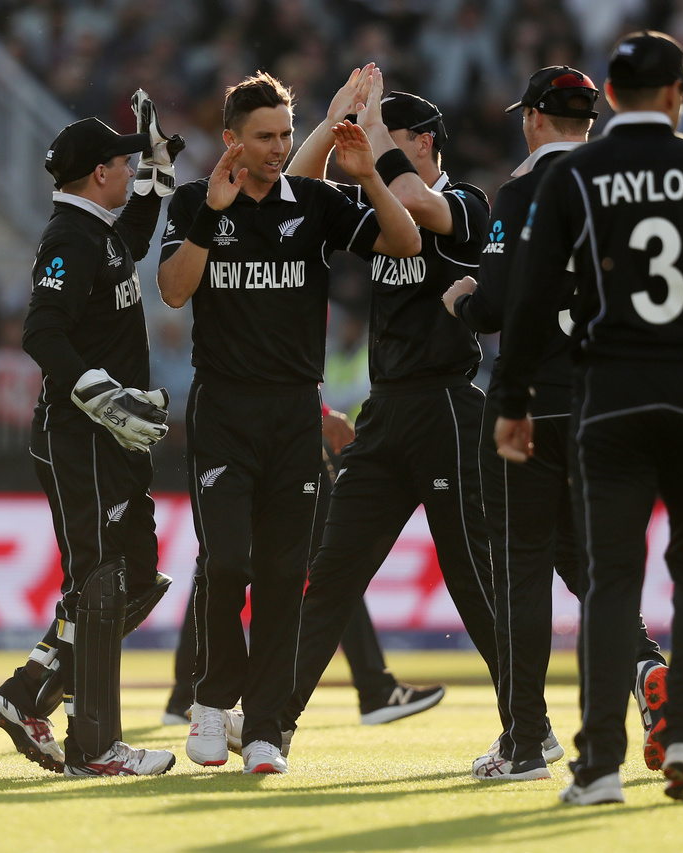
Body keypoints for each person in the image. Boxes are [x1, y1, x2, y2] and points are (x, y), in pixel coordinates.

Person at [496, 31, 683, 805]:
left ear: (611, 93)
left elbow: (530, 297)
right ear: (674, 96)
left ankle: (600, 764)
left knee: (611, 576)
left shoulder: (577, 174)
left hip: (612, 393)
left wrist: (514, 400)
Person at [155, 70, 420, 775]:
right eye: (264, 136)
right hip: (223, 409)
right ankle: (212, 701)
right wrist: (210, 217)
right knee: (227, 562)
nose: (277, 148)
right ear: (231, 139)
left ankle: (265, 727)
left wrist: (369, 176)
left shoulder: (317, 201)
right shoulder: (195, 201)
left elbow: (405, 244)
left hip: (294, 413)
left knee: (282, 573)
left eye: (286, 136)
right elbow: (174, 292)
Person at [442, 66, 668, 782]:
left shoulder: (522, 190)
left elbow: (496, 306)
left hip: (532, 405)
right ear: (589, 120)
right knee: (590, 562)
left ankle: (524, 742)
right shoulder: (629, 188)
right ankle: (645, 665)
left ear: (534, 117)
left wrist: (462, 298)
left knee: (521, 571)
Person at [274, 68, 500, 758]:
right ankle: (272, 725)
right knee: (333, 572)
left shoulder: (466, 203)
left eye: (385, 134)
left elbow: (410, 198)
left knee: (472, 579)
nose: (366, 146)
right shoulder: (375, 199)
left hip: (446, 407)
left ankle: (530, 725)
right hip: (386, 411)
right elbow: (294, 192)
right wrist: (334, 120)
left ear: (424, 142)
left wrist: (369, 133)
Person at [0, 92, 185, 777]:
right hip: (80, 436)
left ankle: (28, 692)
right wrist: (102, 394)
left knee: (136, 578)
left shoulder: (98, 230)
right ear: (99, 173)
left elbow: (136, 235)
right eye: (123, 163)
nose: (128, 170)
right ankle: (95, 746)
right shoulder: (70, 237)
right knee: (100, 579)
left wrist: (157, 167)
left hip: (108, 442)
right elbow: (41, 331)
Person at [161, 403, 447, 729]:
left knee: (222, 562)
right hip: (289, 431)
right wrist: (318, 411)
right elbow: (278, 367)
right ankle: (374, 688)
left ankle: (187, 694)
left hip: (249, 428)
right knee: (335, 563)